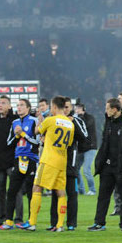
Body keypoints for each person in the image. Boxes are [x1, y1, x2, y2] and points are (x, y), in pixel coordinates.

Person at [19, 96, 74, 232]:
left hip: (49, 160)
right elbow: (69, 143)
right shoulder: (70, 124)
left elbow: (35, 131)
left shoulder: (50, 120)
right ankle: (60, 225)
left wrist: (40, 121)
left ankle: (32, 222)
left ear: (54, 107)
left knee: (37, 188)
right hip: (62, 161)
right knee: (61, 193)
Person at [89, 98, 122, 232]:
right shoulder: (108, 121)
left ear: (114, 109)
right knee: (103, 196)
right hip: (108, 166)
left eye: (107, 108)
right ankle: (99, 223)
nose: (105, 111)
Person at [47, 97, 89, 231]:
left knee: (72, 193)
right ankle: (54, 223)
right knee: (55, 193)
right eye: (63, 107)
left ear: (70, 108)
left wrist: (74, 124)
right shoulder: (53, 121)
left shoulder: (76, 121)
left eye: (67, 107)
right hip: (56, 161)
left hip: (70, 163)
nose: (65, 110)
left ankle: (71, 223)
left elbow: (85, 137)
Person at [0, 99, 40, 230]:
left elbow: (36, 141)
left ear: (28, 108)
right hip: (18, 159)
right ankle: (9, 221)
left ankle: (32, 222)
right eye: (18, 105)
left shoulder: (34, 121)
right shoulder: (14, 122)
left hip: (31, 159)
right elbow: (9, 142)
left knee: (31, 192)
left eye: (22, 105)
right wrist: (16, 136)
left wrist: (23, 134)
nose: (19, 108)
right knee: (12, 191)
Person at [0, 95, 22, 228]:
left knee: (15, 191)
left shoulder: (15, 120)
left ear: (9, 106)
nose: (0, 105)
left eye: (3, 103)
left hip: (12, 161)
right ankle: (1, 219)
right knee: (0, 192)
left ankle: (18, 219)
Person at [75, 102, 97, 196]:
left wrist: (80, 116)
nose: (77, 110)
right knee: (75, 169)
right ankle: (81, 190)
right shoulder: (76, 119)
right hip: (81, 148)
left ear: (83, 109)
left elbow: (85, 127)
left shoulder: (90, 117)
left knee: (86, 169)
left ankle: (92, 190)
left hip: (90, 147)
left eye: (79, 108)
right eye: (76, 108)